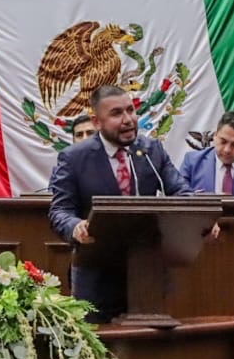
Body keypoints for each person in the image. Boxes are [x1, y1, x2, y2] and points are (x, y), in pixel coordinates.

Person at [48, 85, 191, 321]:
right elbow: (60, 210)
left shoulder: (151, 150)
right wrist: (75, 226)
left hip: (148, 276)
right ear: (97, 122)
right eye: (116, 113)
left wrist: (200, 219)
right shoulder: (74, 157)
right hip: (96, 279)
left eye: (130, 110)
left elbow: (181, 192)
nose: (128, 120)